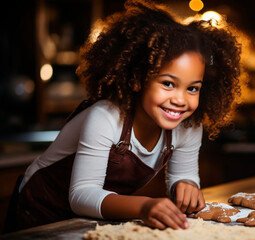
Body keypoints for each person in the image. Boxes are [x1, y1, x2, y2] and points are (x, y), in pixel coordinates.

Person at [11, 0, 242, 232]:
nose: (181, 99)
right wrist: (144, 207)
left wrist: (187, 185)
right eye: (168, 83)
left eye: (193, 88)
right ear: (138, 78)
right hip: (38, 213)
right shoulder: (105, 117)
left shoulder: (188, 125)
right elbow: (82, 195)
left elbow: (183, 175)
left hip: (88, 220)